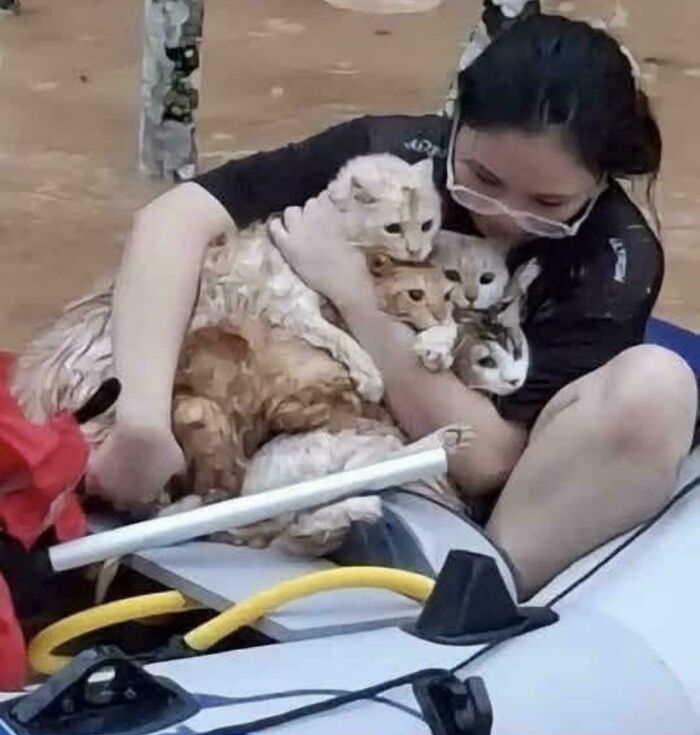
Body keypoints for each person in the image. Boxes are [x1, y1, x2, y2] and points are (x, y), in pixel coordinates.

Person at [87, 6, 698, 599]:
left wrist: (352, 289)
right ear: (456, 125)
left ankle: (478, 597)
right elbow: (175, 218)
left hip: (493, 492)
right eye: (483, 180)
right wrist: (142, 420)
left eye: (547, 203)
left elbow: (485, 456)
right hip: (321, 419)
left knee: (658, 385)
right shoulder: (394, 160)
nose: (503, 216)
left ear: (597, 184)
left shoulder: (615, 255)